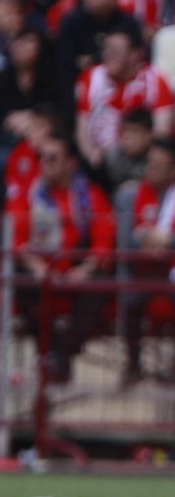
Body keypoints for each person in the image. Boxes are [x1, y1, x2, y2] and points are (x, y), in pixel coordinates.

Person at [11, 132, 116, 383]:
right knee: (19, 279)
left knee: (102, 282)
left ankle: (59, 354)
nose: (43, 164)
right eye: (42, 158)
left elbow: (104, 241)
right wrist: (37, 266)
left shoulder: (91, 196)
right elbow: (15, 239)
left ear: (71, 163)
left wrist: (85, 269)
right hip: (41, 273)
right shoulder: (29, 194)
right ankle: (57, 354)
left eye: (52, 159)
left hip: (77, 273)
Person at [117, 137, 175, 383]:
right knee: (130, 297)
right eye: (150, 163)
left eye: (158, 165)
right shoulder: (130, 196)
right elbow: (125, 238)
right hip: (140, 270)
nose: (151, 169)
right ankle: (133, 364)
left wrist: (166, 240)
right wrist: (147, 239)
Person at [75, 31, 175, 172]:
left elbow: (161, 132)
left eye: (115, 51)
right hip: (100, 162)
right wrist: (91, 156)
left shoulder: (156, 80)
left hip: (142, 161)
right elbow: (82, 130)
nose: (108, 55)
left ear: (135, 55)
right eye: (106, 49)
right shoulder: (91, 77)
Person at [56, 0, 144, 83]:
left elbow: (137, 63)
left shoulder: (129, 25)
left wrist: (92, 60)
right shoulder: (71, 22)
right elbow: (64, 64)